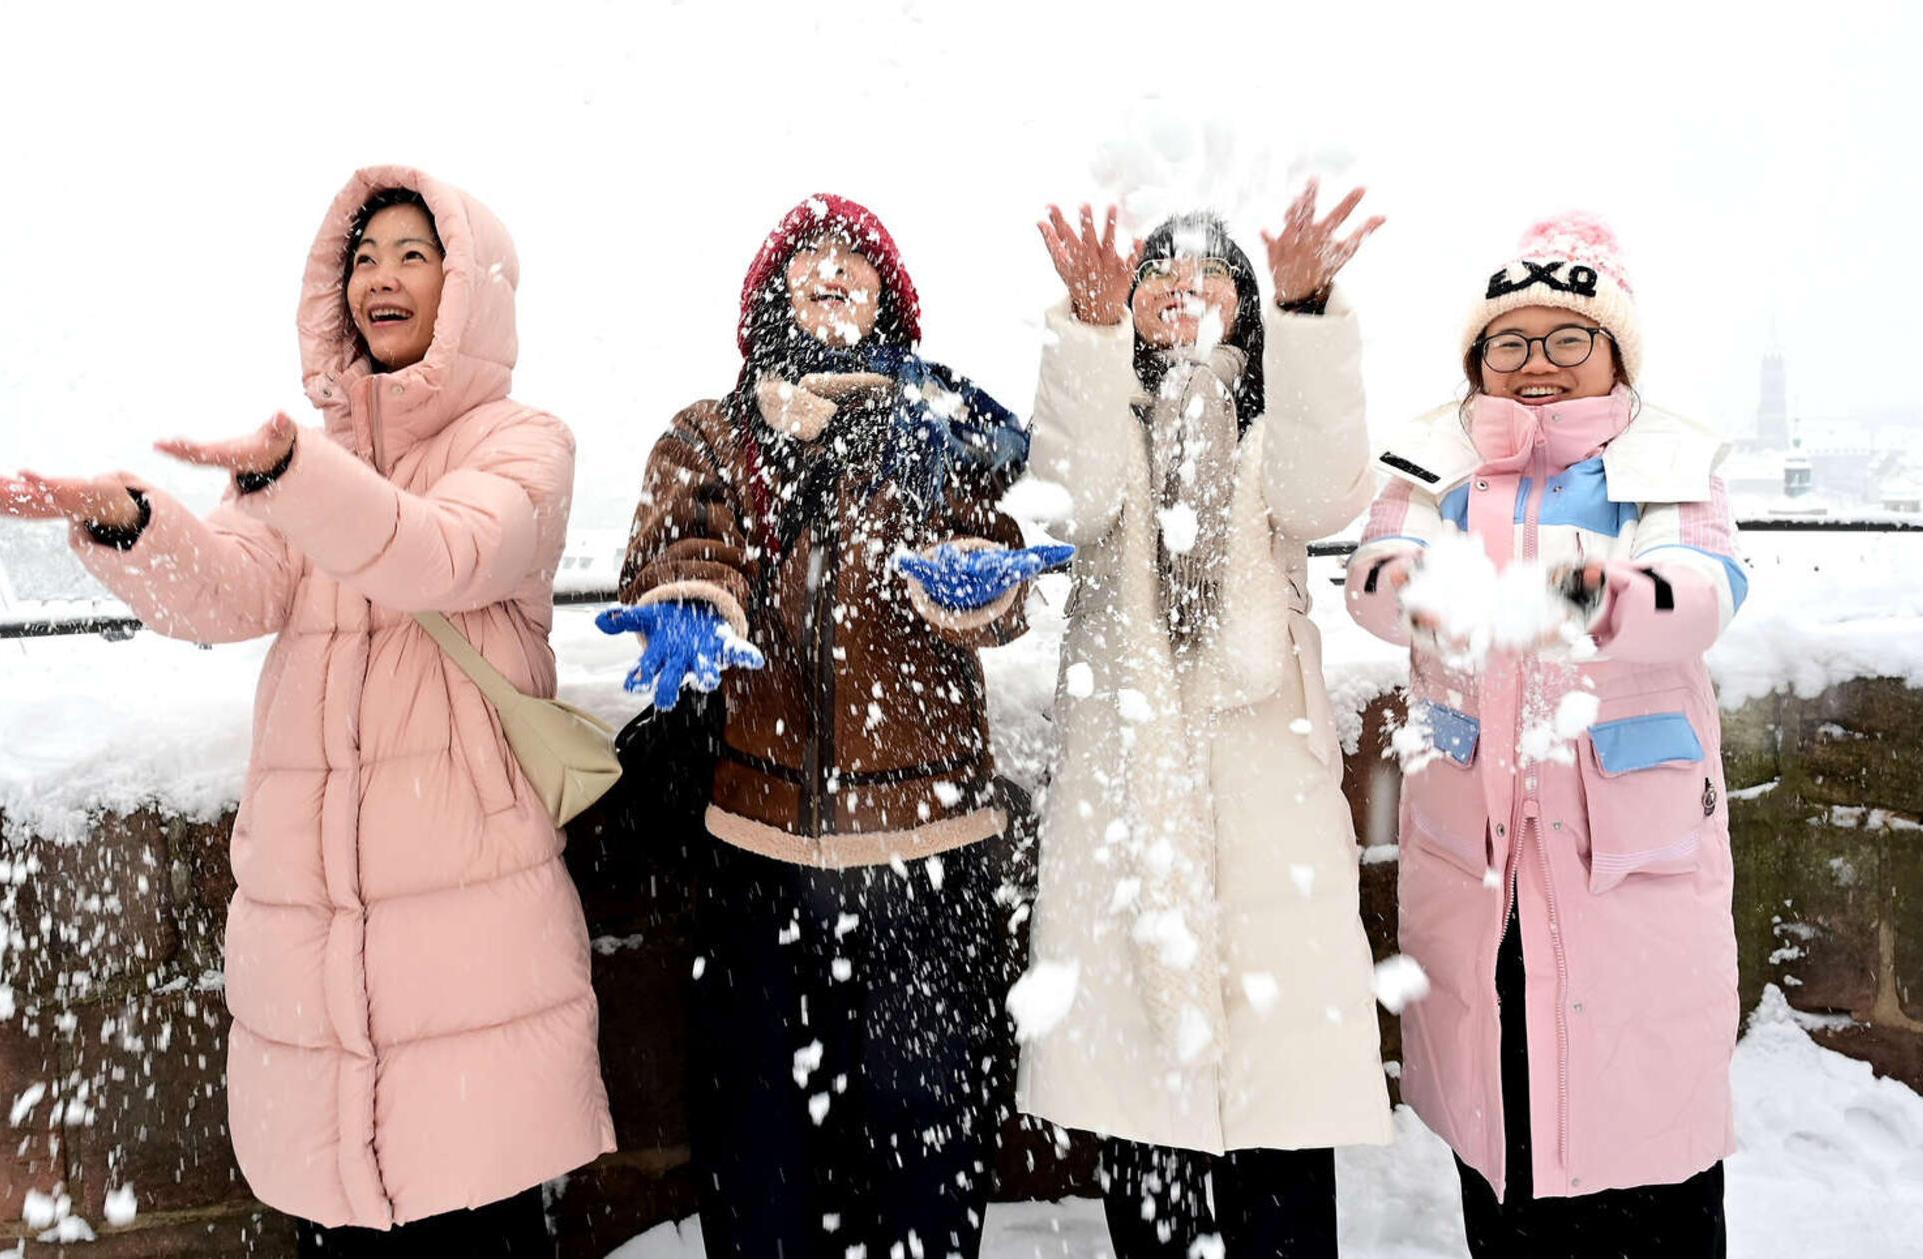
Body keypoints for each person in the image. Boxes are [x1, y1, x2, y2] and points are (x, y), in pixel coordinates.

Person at [0, 167, 610, 1256]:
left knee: (477, 1219)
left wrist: (298, 475)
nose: (379, 278)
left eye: (411, 253)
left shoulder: (521, 444)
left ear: (468, 285)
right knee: (337, 1222)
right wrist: (130, 522)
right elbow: (228, 592)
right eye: (361, 257)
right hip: (311, 946)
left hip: (468, 939)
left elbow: (437, 552)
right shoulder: (307, 457)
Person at [603, 193, 1057, 1259]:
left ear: (891, 306)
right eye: (809, 260)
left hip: (927, 856)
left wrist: (976, 589)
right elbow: (683, 536)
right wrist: (687, 601)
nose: (834, 272)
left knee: (926, 1157)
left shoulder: (940, 429)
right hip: (757, 854)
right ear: (769, 297)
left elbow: (994, 574)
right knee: (758, 1164)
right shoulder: (710, 432)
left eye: (858, 262)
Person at [1344, 213, 1744, 1258]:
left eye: (1566, 338)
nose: (1534, 364)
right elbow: (1376, 575)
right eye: (1507, 342)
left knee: (1647, 1140)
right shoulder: (1428, 460)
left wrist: (1581, 593)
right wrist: (1430, 595)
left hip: (1628, 871)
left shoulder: (1669, 461)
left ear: (1615, 352)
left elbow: (1696, 591)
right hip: (1475, 870)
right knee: (1505, 1135)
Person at [1013, 184, 1392, 1258]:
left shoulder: (1273, 423)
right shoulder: (1106, 409)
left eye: (1210, 277)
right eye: (1157, 280)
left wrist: (1311, 305)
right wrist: (1085, 333)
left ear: (1245, 303)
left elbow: (1325, 496)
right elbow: (1072, 498)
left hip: (1264, 791)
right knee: (1146, 1109)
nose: (1182, 294)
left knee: (1278, 1123)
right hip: (1130, 785)